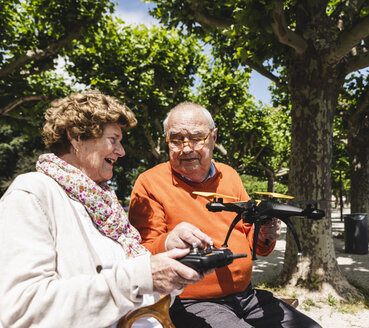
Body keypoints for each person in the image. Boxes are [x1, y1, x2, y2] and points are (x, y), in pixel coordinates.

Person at [0, 92, 206, 328]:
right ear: (76, 137)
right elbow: (21, 311)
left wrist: (172, 256)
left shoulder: (101, 201)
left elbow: (133, 287)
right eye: (113, 140)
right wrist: (142, 276)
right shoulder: (32, 193)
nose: (121, 151)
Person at [128, 102, 322, 328]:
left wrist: (265, 235)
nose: (186, 148)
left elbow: (254, 244)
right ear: (166, 141)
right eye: (176, 140)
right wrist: (169, 241)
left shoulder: (229, 175)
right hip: (190, 302)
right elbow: (140, 254)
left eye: (197, 137)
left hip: (246, 297)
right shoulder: (149, 182)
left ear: (214, 137)